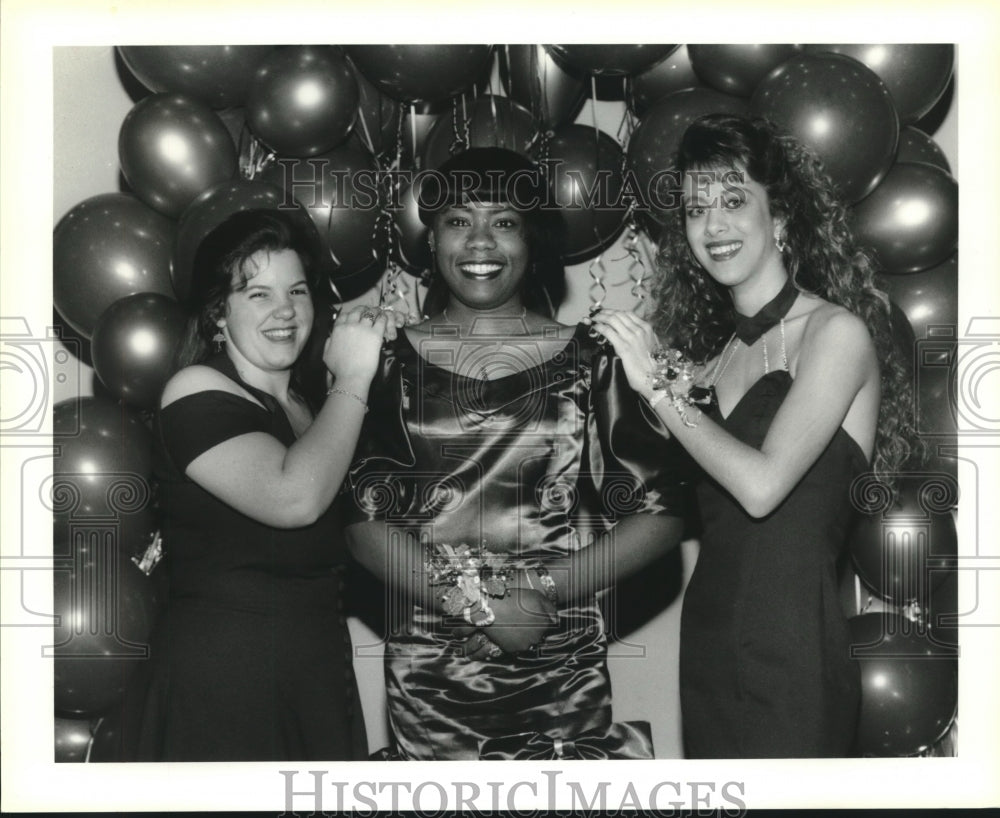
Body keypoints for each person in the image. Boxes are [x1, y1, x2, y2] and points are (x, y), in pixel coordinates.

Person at [343, 147, 689, 760]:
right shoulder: (384, 362)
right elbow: (361, 521)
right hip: (433, 674)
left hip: (558, 664)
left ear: (532, 240)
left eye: (503, 221)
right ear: (432, 239)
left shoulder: (594, 360)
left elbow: (662, 512)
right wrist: (479, 605)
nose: (480, 242)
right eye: (457, 221)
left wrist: (539, 595)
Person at [589, 114, 918, 758]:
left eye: (735, 200)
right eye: (695, 209)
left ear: (782, 217)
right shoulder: (703, 363)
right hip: (706, 645)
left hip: (794, 651)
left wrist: (658, 389)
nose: (713, 227)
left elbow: (763, 487)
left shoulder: (835, 334)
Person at [120, 209, 399, 761]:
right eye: (257, 294)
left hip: (316, 678)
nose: (285, 310)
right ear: (217, 313)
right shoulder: (195, 389)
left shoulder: (314, 409)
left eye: (297, 290)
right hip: (225, 685)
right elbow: (293, 498)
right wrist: (355, 376)